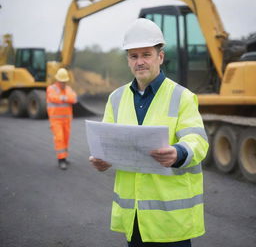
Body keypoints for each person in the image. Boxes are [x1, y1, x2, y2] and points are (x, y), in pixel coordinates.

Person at [89, 18, 209, 246]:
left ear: (160, 57)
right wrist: (101, 160)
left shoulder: (181, 96)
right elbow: (104, 143)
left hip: (171, 220)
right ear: (128, 60)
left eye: (146, 54)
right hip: (133, 218)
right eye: (134, 56)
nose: (140, 62)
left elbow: (198, 140)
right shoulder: (116, 98)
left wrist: (179, 152)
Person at [46, 68, 77, 170]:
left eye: (65, 81)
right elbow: (53, 98)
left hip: (67, 120)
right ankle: (61, 160)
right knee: (59, 138)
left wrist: (63, 98)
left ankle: (64, 157)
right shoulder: (51, 89)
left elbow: (74, 99)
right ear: (57, 80)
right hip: (56, 120)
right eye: (62, 81)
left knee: (65, 139)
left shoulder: (68, 89)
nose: (63, 83)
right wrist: (65, 98)